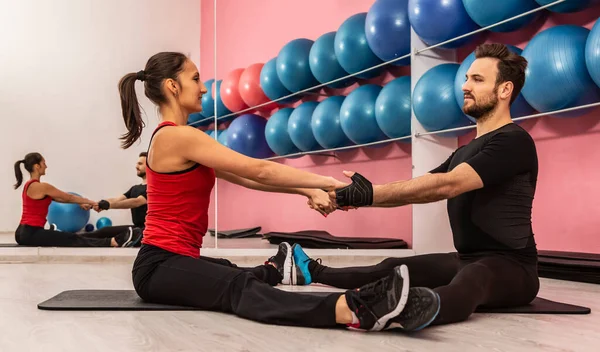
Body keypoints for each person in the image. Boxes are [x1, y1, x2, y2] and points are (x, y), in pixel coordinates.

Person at [118, 52, 441, 332]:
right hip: (158, 266)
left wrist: (305, 191)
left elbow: (248, 179)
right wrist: (329, 184)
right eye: (195, 78)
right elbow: (258, 168)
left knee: (233, 272)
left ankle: (282, 267)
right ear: (173, 86)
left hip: (177, 259)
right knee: (238, 286)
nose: (204, 87)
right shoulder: (177, 137)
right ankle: (353, 309)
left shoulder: (183, 139)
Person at [289, 43, 540, 327]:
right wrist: (350, 197)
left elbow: (448, 185)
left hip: (513, 268)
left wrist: (368, 195)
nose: (465, 86)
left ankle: (403, 311)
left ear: (505, 90)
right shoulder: (464, 151)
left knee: (475, 278)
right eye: (467, 78)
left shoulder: (514, 141)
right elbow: (419, 188)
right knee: (391, 268)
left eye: (477, 79)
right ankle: (309, 271)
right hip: (467, 258)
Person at [13, 153, 142, 247]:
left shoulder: (31, 186)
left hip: (25, 232)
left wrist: (84, 203)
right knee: (69, 238)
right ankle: (112, 242)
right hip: (31, 232)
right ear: (37, 166)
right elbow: (67, 196)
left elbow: (62, 200)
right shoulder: (40, 186)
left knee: (66, 237)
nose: (46, 166)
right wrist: (91, 202)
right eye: (43, 163)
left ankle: (110, 241)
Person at [90, 152, 149, 246]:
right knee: (104, 231)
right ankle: (74, 239)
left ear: (150, 166)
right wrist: (98, 203)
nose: (136, 166)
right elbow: (117, 200)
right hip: (136, 228)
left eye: (140, 164)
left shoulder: (154, 188)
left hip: (149, 230)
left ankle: (130, 240)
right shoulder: (135, 188)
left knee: (130, 235)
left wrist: (108, 205)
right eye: (137, 163)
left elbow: (137, 202)